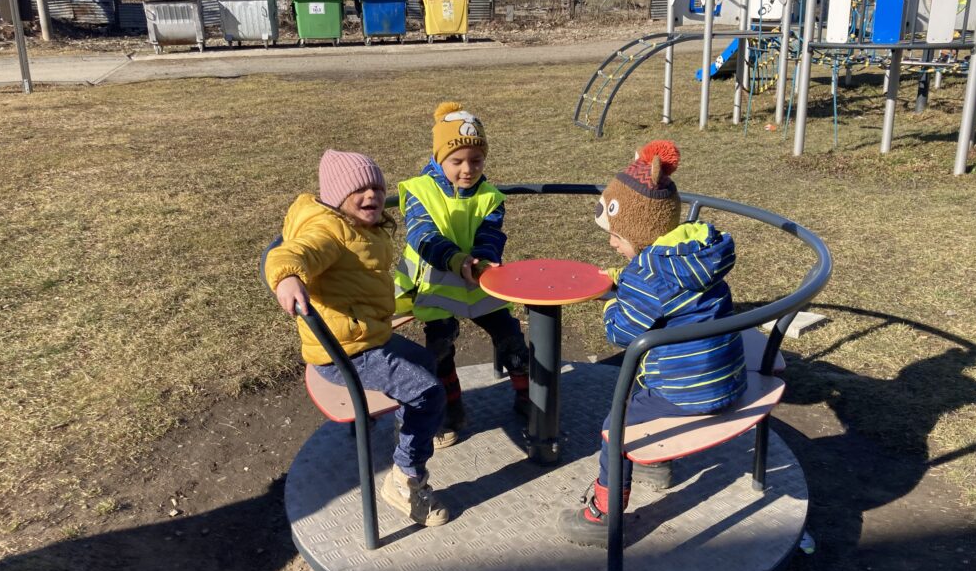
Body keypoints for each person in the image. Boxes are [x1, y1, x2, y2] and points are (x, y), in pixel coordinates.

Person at [557, 140, 747, 546]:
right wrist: (625, 279)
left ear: (642, 231)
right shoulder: (690, 253)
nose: (612, 243)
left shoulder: (649, 276)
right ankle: (656, 465)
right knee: (642, 388)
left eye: (618, 235)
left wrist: (612, 302)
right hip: (729, 377)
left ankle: (604, 515)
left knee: (614, 425)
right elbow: (659, 290)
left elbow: (621, 332)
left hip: (687, 390)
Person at [266, 150, 448, 527]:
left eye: (377, 188)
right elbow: (297, 251)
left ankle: (410, 431)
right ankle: (406, 480)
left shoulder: (357, 226)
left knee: (426, 362)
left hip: (365, 335)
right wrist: (287, 276)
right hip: (346, 353)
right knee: (428, 392)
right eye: (360, 190)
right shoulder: (329, 232)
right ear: (337, 197)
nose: (373, 196)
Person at [393, 102, 531, 447]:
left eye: (477, 160)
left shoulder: (490, 196)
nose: (468, 169)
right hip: (436, 281)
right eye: (457, 161)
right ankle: (450, 411)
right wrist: (456, 260)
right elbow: (422, 235)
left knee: (509, 335)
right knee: (440, 347)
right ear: (439, 157)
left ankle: (529, 396)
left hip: (479, 279)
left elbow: (490, 234)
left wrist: (484, 260)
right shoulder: (420, 191)